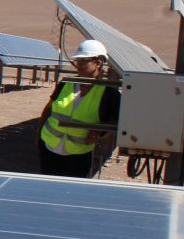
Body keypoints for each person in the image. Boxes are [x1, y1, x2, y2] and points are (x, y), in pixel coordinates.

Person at [37, 39, 121, 177]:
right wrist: (38, 136)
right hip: (48, 147)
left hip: (78, 154)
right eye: (77, 60)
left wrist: (99, 132)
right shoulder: (66, 84)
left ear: (98, 63)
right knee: (49, 188)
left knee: (71, 192)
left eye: (83, 60)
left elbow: (114, 121)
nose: (78, 65)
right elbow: (48, 110)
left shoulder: (109, 94)